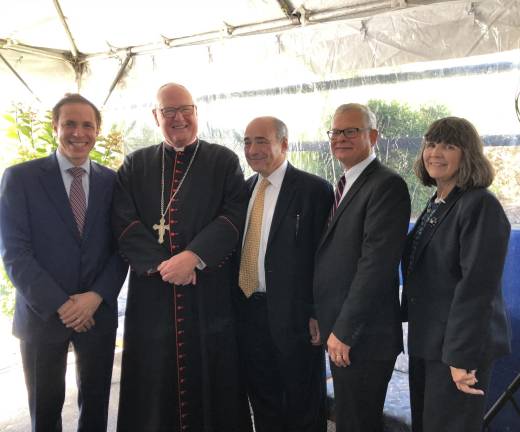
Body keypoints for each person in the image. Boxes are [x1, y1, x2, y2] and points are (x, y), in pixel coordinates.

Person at [113, 83, 250, 432]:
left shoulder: (223, 160)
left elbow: (234, 215)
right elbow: (123, 221)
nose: (178, 118)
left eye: (185, 109)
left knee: (212, 380)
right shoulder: (136, 163)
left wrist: (194, 256)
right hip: (153, 296)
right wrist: (165, 266)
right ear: (155, 116)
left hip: (206, 292)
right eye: (168, 111)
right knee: (153, 384)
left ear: (196, 112)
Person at [0, 93, 127, 431]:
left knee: (96, 407)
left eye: (87, 125)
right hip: (42, 316)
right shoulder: (20, 179)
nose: (78, 132)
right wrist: (62, 304)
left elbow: (121, 249)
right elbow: (15, 253)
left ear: (97, 131)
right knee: (44, 410)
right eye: (69, 123)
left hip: (96, 314)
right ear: (55, 126)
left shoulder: (113, 182)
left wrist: (94, 298)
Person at [402, 116, 511, 432]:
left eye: (448, 146)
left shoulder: (480, 205)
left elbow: (476, 289)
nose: (435, 152)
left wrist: (460, 358)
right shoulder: (440, 200)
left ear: (468, 154)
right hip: (429, 340)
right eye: (431, 144)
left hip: (457, 349)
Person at [313, 103, 411, 432]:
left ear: (373, 136)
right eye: (335, 131)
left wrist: (344, 330)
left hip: (363, 337)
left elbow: (376, 266)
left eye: (350, 131)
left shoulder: (386, 185)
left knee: (358, 424)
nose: (340, 138)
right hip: (342, 331)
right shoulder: (347, 183)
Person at [236, 116, 333, 432]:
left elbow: (325, 257)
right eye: (248, 142)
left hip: (296, 317)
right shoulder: (242, 191)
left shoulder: (314, 190)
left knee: (303, 403)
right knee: (263, 402)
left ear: (284, 144)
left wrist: (318, 311)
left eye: (261, 141)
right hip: (248, 312)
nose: (252, 149)